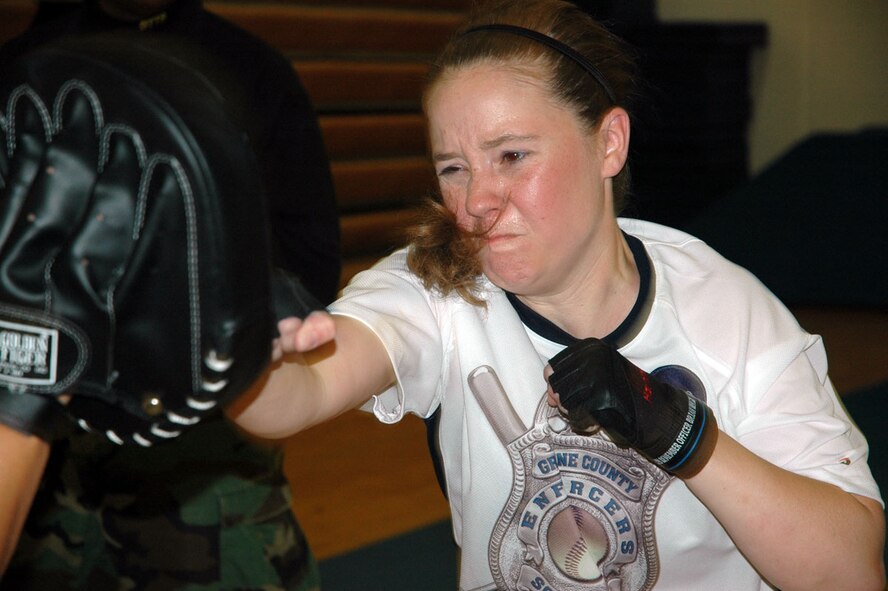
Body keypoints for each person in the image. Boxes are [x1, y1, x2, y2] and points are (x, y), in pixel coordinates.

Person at [230, 0, 887, 589]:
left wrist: (681, 435)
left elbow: (849, 572)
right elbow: (296, 396)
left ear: (609, 143)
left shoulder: (728, 311)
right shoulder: (437, 292)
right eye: (453, 167)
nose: (477, 200)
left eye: (512, 156)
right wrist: (240, 343)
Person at [0, 0, 339, 588]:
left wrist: (235, 303)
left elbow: (309, 260)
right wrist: (27, 360)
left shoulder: (248, 67)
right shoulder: (22, 65)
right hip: (40, 461)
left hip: (199, 452)